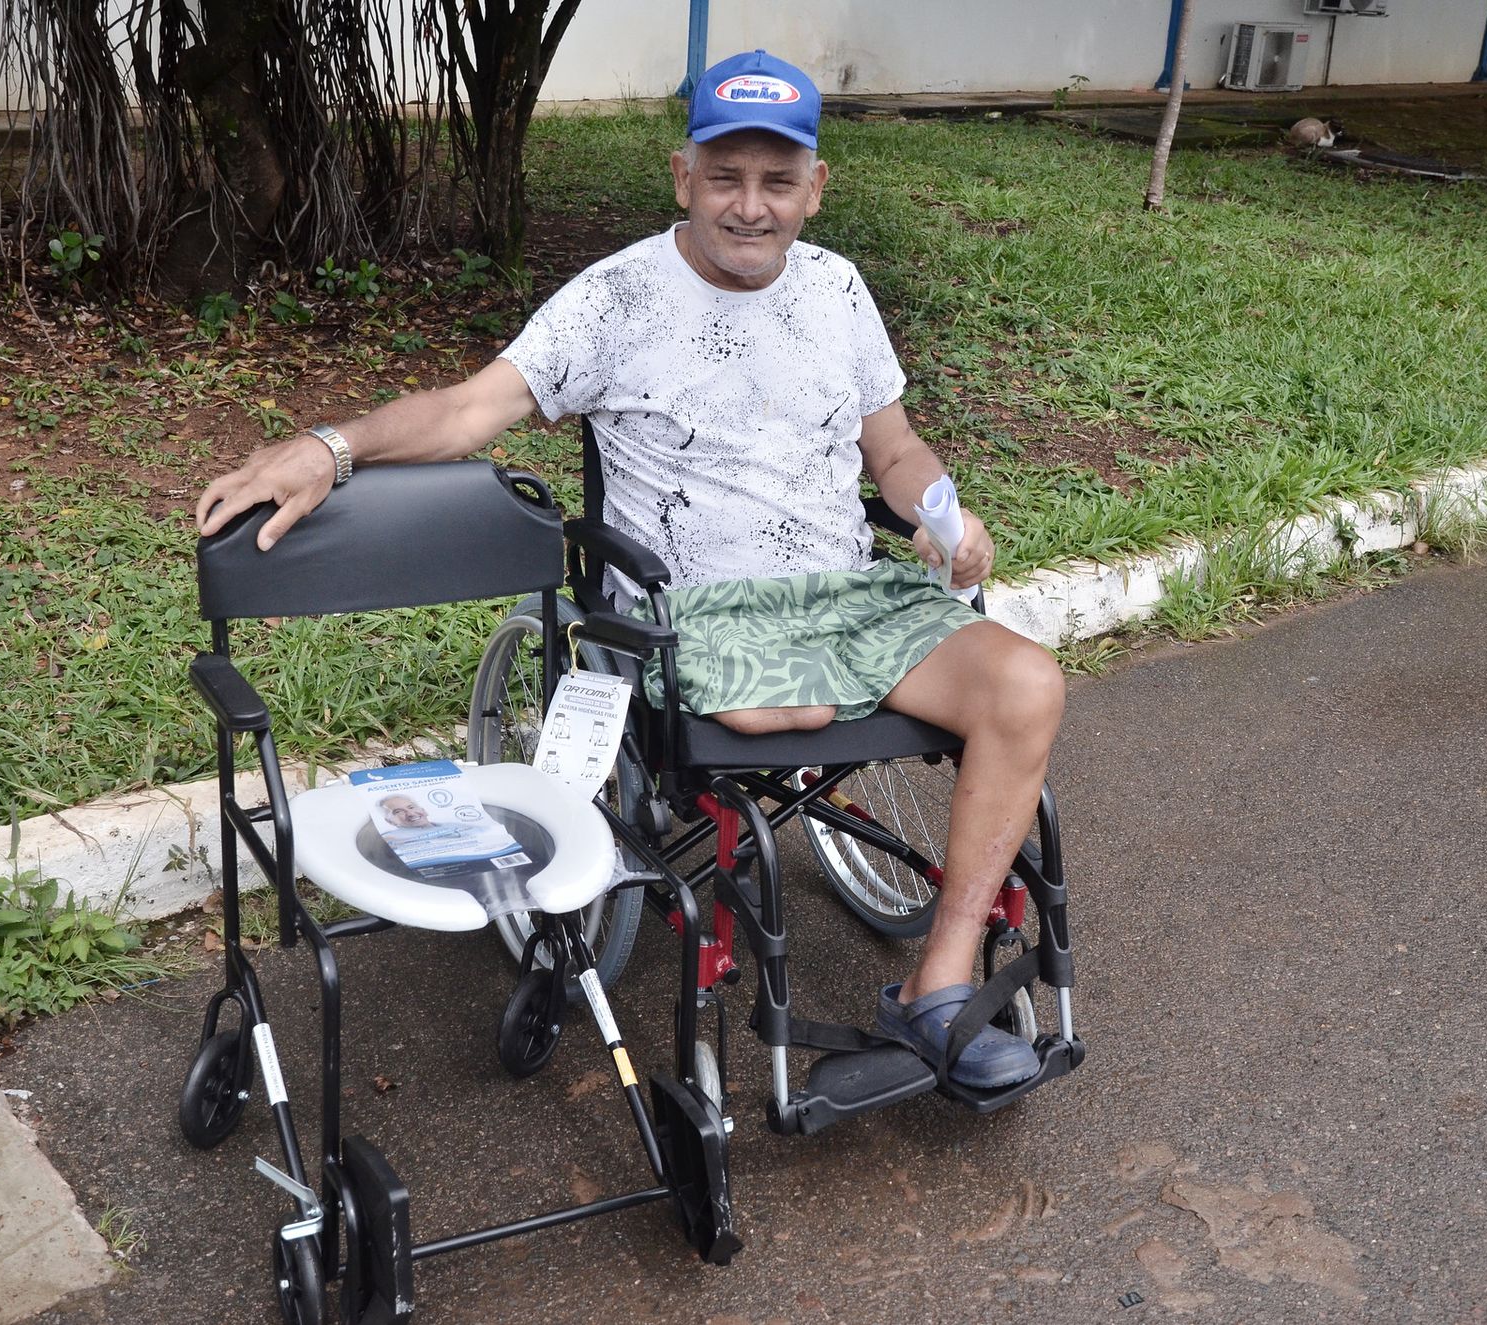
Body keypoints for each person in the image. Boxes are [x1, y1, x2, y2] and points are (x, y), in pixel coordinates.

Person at [196, 49, 1065, 1089]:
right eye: (726, 178)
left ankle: (940, 984)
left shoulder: (838, 289)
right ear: (682, 175)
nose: (752, 207)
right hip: (695, 608)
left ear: (815, 187)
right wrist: (331, 445)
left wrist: (939, 508)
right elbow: (473, 408)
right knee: (770, 714)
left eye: (778, 182)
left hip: (845, 598)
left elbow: (893, 445)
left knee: (1027, 681)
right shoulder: (615, 301)